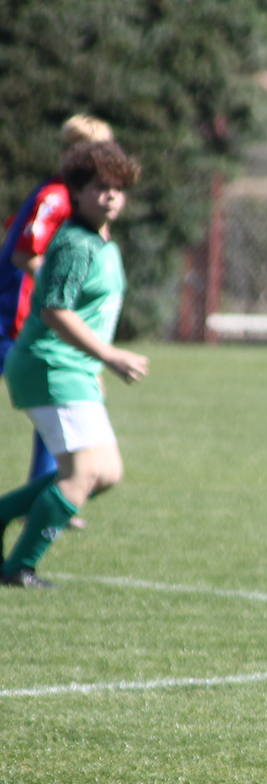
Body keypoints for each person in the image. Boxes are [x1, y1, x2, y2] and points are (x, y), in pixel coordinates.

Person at [0, 140, 147, 588]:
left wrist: (95, 366)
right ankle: (19, 568)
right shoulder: (74, 245)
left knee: (108, 473)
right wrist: (108, 355)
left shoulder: (101, 241)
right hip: (50, 365)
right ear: (77, 191)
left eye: (118, 189)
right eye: (100, 187)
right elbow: (54, 311)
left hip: (73, 368)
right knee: (82, 475)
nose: (111, 196)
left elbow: (86, 316)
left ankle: (3, 515)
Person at [0, 114, 116, 491]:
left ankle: (54, 489)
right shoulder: (57, 195)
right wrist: (64, 284)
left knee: (53, 405)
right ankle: (60, 491)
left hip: (28, 319)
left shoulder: (77, 199)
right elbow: (24, 252)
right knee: (55, 399)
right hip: (14, 317)